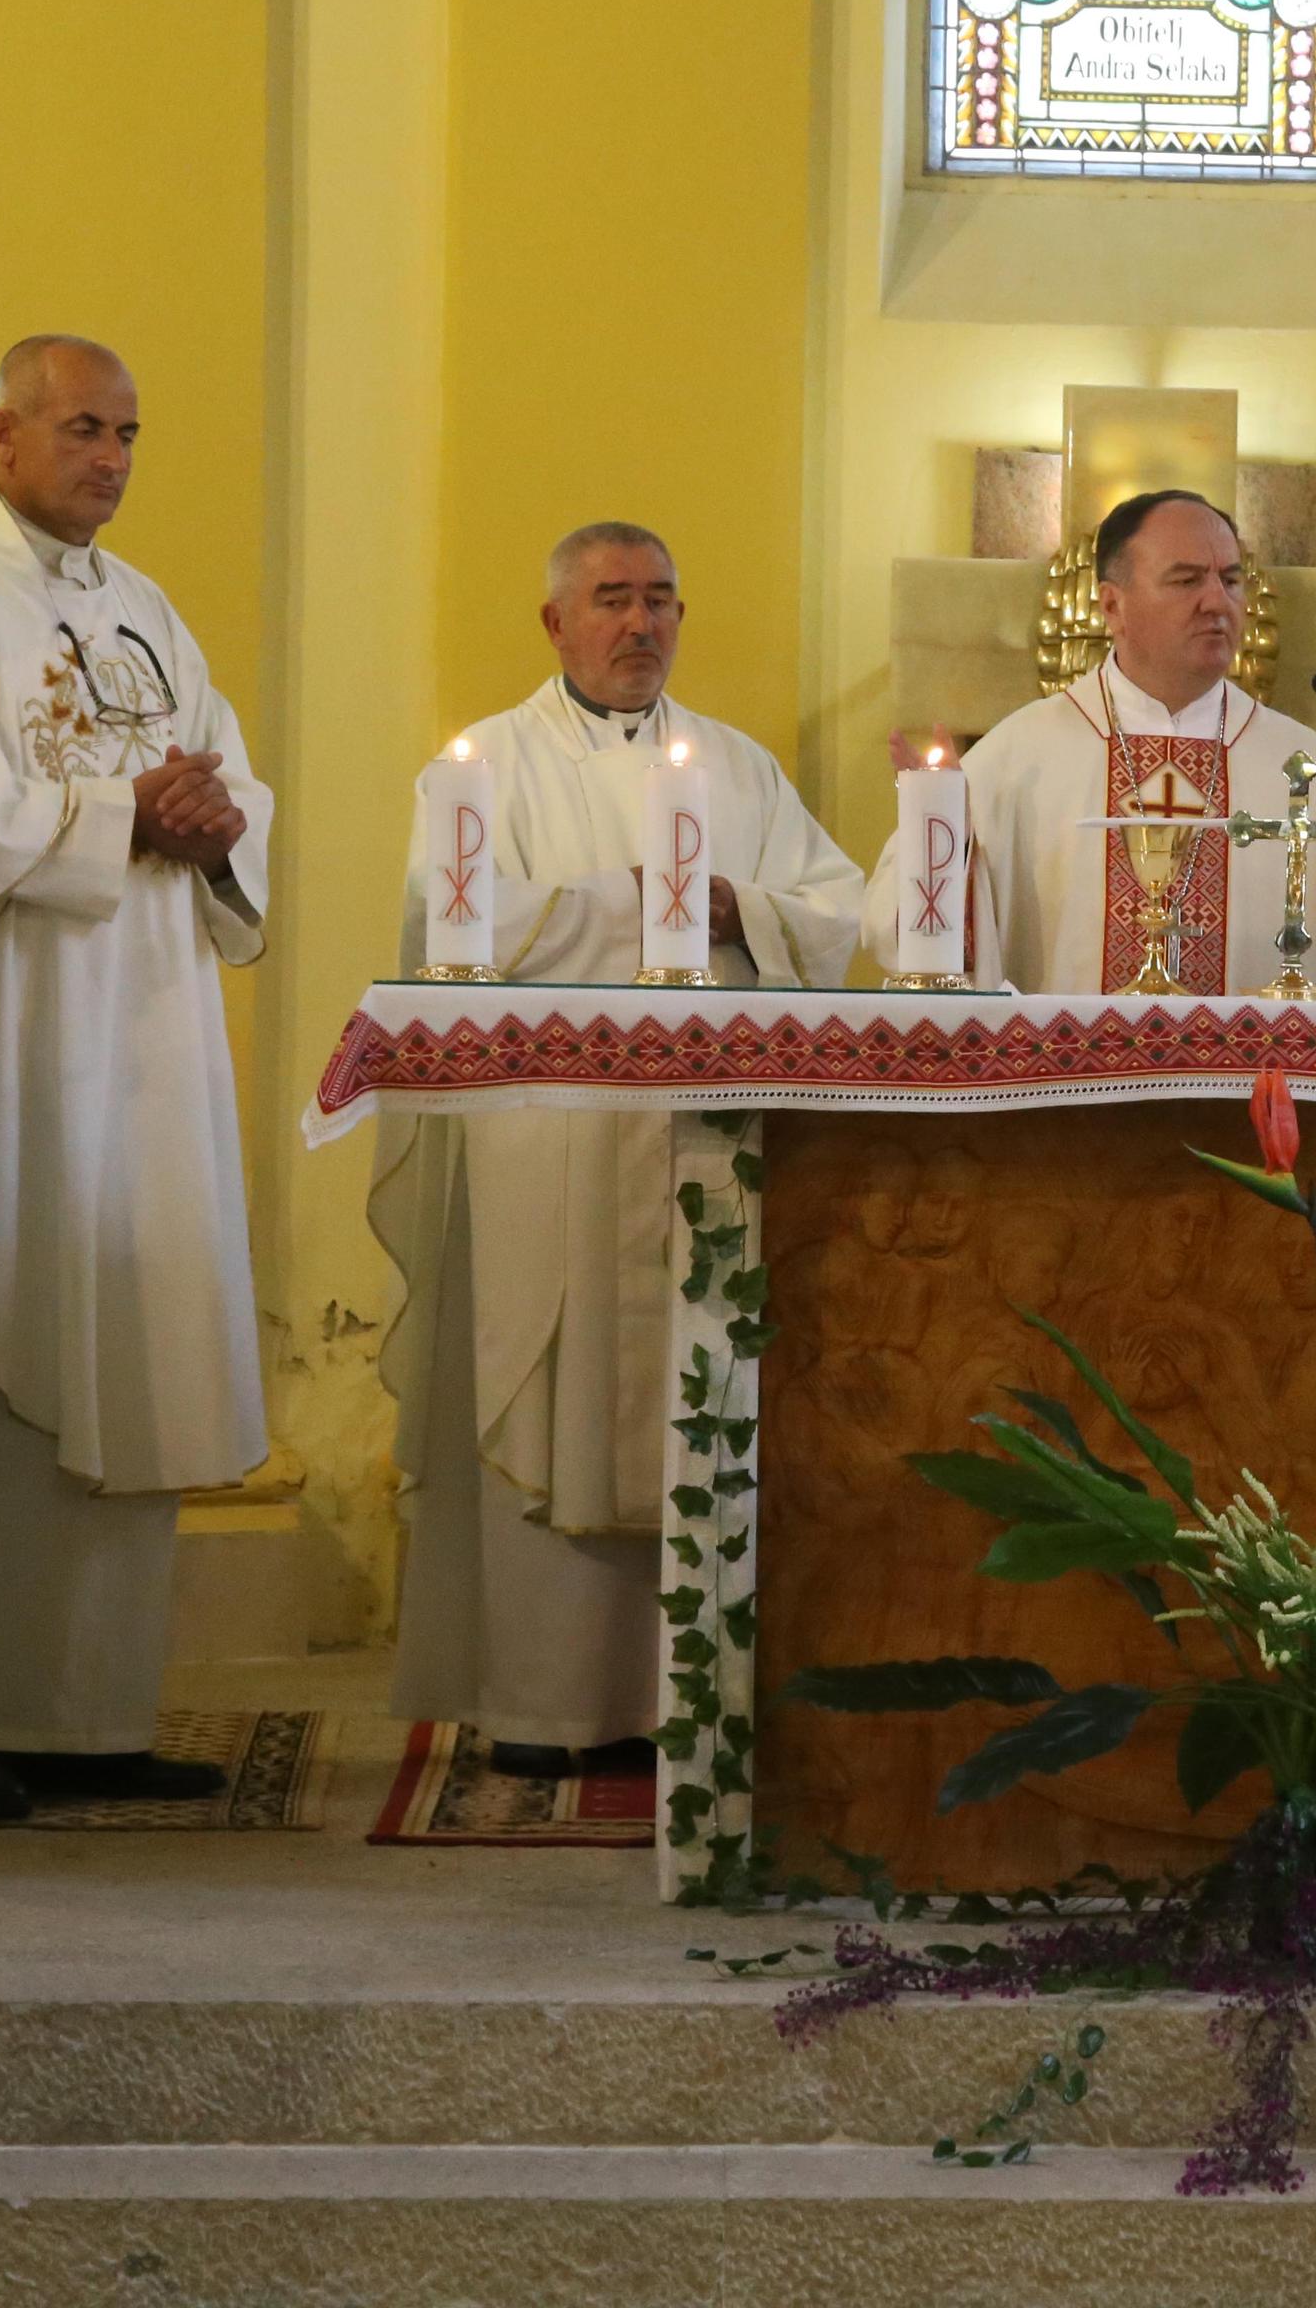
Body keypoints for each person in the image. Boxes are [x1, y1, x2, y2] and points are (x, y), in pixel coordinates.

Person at [0, 335, 270, 1822]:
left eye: (132, 433)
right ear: (2, 433)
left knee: (126, 1347)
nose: (114, 458)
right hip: (1, 1024)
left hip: (144, 1023)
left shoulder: (144, 609)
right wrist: (115, 819)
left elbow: (223, 773)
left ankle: (92, 1716)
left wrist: (215, 823)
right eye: (86, 428)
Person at [372, 522, 862, 1776]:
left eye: (661, 600)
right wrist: (630, 901)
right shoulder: (484, 765)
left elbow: (840, 903)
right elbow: (450, 918)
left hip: (704, 1139)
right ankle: (542, 1704)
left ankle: (686, 1703)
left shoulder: (741, 769)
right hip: (557, 1145)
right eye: (611, 600)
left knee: (693, 1400)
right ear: (555, 623)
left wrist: (737, 907)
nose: (640, 624)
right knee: (551, 1386)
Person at [866, 488, 1316, 994]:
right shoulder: (1018, 758)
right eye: (1186, 579)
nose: (1217, 602)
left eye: (1230, 579)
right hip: (1062, 1120)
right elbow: (904, 940)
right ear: (1112, 606)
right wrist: (940, 833)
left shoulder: (1302, 765)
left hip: (1252, 1110)